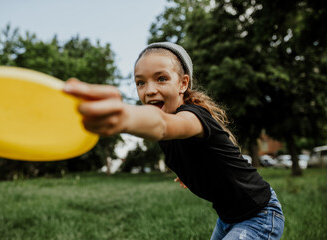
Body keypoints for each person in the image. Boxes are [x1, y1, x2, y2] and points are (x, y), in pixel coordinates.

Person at [63, 42, 285, 239]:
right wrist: (189, 172)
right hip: (228, 218)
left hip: (259, 214)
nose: (149, 90)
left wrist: (124, 116)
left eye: (161, 78)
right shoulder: (169, 128)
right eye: (140, 83)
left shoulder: (194, 117)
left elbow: (163, 125)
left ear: (183, 84)